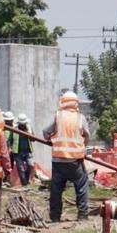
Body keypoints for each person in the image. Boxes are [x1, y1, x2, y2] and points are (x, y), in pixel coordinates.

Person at [44, 91, 90, 222]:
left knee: (56, 190)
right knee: (81, 187)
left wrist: (50, 139)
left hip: (58, 160)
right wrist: (82, 147)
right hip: (75, 160)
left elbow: (46, 132)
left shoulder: (58, 116)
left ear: (62, 102)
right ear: (76, 103)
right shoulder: (80, 118)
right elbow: (87, 136)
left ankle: (55, 216)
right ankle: (82, 215)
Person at [10, 113, 33, 186]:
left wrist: (29, 132)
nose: (23, 125)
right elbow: (10, 140)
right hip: (18, 152)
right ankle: (24, 184)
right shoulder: (14, 129)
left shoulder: (29, 128)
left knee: (30, 165)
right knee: (21, 169)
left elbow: (33, 139)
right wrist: (10, 148)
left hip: (27, 151)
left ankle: (26, 179)